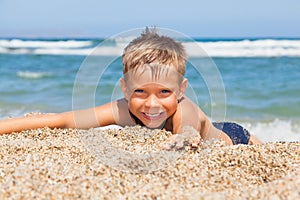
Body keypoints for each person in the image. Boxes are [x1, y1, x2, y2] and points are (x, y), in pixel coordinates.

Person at [0, 28, 262, 149]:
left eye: (164, 92)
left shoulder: (185, 110)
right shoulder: (123, 109)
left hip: (234, 136)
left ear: (181, 90)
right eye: (140, 92)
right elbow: (63, 120)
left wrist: (180, 140)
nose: (151, 104)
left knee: (264, 148)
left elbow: (188, 131)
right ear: (125, 89)